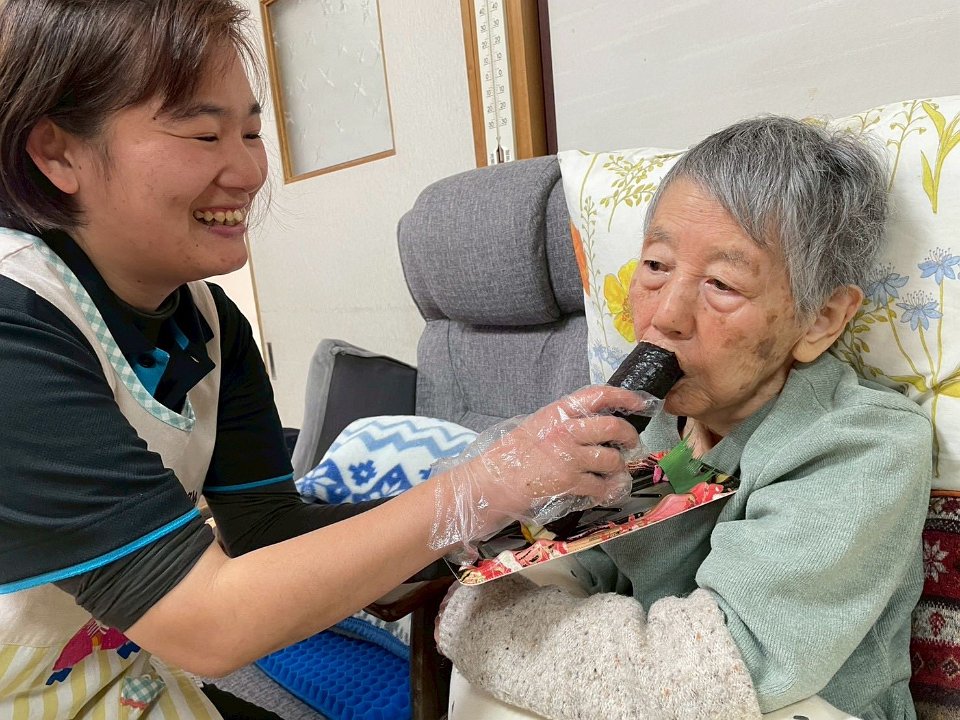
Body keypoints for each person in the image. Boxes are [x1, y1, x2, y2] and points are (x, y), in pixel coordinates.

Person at [0, 1, 651, 718]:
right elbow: (208, 623)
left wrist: (509, 502)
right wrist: (478, 487)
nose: (249, 170)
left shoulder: (210, 324)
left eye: (252, 132)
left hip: (117, 679)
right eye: (204, 134)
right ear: (58, 153)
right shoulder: (14, 328)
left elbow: (267, 536)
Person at [436, 117, 933, 719]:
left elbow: (710, 675)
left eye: (722, 283)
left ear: (820, 320)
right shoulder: (645, 426)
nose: (665, 316)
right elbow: (565, 561)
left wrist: (481, 619)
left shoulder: (862, 444)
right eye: (656, 265)